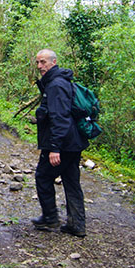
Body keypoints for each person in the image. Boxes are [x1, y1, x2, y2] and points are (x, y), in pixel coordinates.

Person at [31, 49, 88, 237]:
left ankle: (50, 218)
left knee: (43, 176)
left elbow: (60, 118)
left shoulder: (55, 85)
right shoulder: (62, 81)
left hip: (62, 143)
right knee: (71, 181)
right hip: (73, 142)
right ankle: (77, 224)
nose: (40, 66)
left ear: (53, 62)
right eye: (38, 62)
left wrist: (55, 148)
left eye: (44, 62)